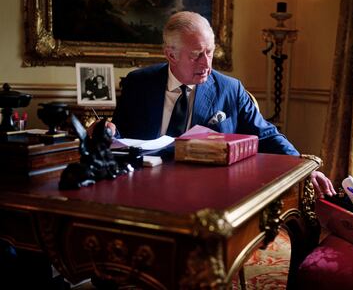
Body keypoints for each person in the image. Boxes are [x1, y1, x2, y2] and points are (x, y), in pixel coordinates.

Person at [100, 11, 335, 197]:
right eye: (196, 55)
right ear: (171, 55)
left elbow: (267, 136)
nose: (206, 64)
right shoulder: (138, 83)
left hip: (208, 195)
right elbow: (120, 135)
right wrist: (106, 132)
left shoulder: (230, 90)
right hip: (143, 190)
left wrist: (304, 168)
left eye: (209, 52)